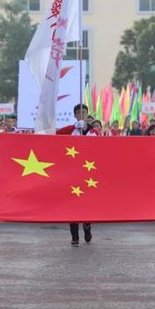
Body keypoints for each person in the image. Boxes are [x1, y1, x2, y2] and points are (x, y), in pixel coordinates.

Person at [56, 104, 97, 246]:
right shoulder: (69, 130)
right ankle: (74, 235)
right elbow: (55, 135)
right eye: (78, 113)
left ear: (87, 114)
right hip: (72, 173)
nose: (81, 115)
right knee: (72, 204)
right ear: (75, 115)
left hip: (89, 174)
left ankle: (87, 226)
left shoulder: (94, 132)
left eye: (84, 112)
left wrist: (84, 130)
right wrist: (74, 127)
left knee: (87, 203)